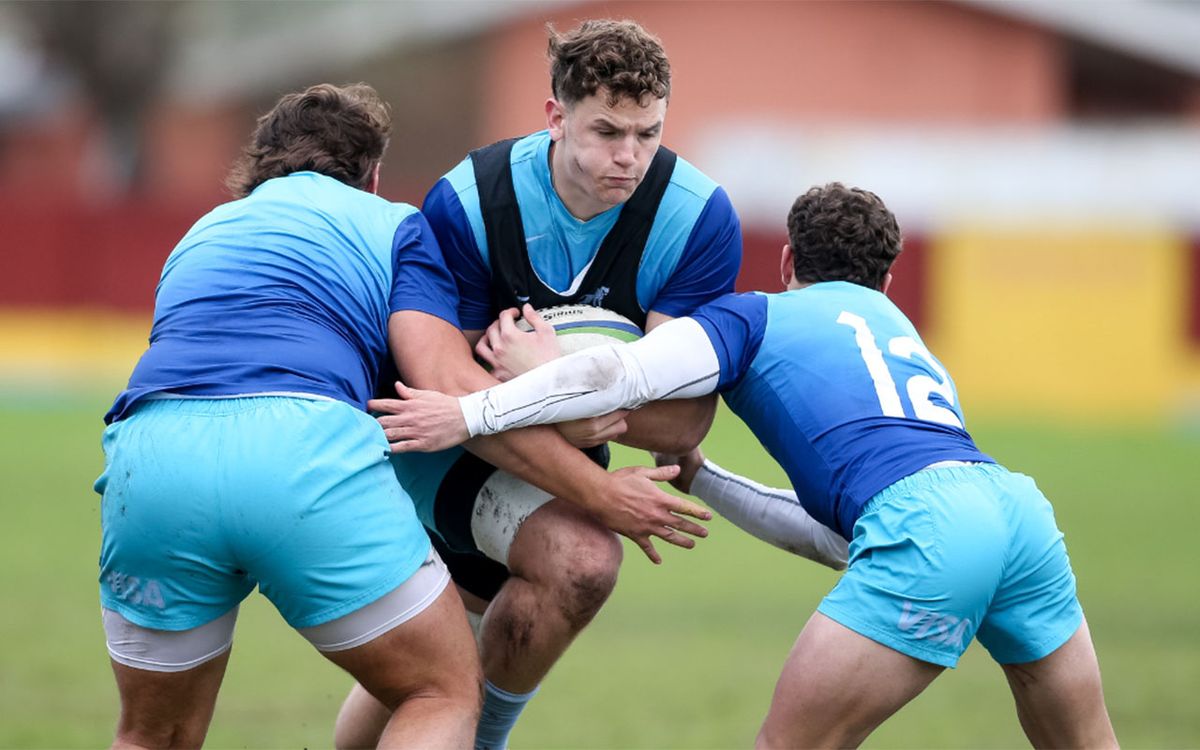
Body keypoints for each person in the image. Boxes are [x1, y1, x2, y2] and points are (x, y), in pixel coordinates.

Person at [372, 183, 1120, 748]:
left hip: (930, 524)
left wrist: (477, 406)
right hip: (1016, 511)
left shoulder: (753, 314)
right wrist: (704, 478)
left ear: (789, 259)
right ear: (888, 280)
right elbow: (848, 537)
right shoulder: (902, 332)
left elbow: (619, 377)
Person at [93, 81, 705, 749]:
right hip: (295, 450)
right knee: (441, 692)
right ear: (374, 174)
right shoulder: (393, 225)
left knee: (152, 734)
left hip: (148, 462)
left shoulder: (199, 234)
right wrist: (595, 486)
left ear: (257, 168)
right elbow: (447, 385)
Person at [336, 19, 761, 750]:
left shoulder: (694, 216)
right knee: (581, 561)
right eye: (605, 132)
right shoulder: (473, 197)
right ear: (555, 117)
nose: (628, 156)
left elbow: (684, 419)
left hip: (530, 444)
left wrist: (555, 381)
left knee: (444, 665)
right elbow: (444, 380)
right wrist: (591, 451)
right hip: (436, 441)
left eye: (648, 133)